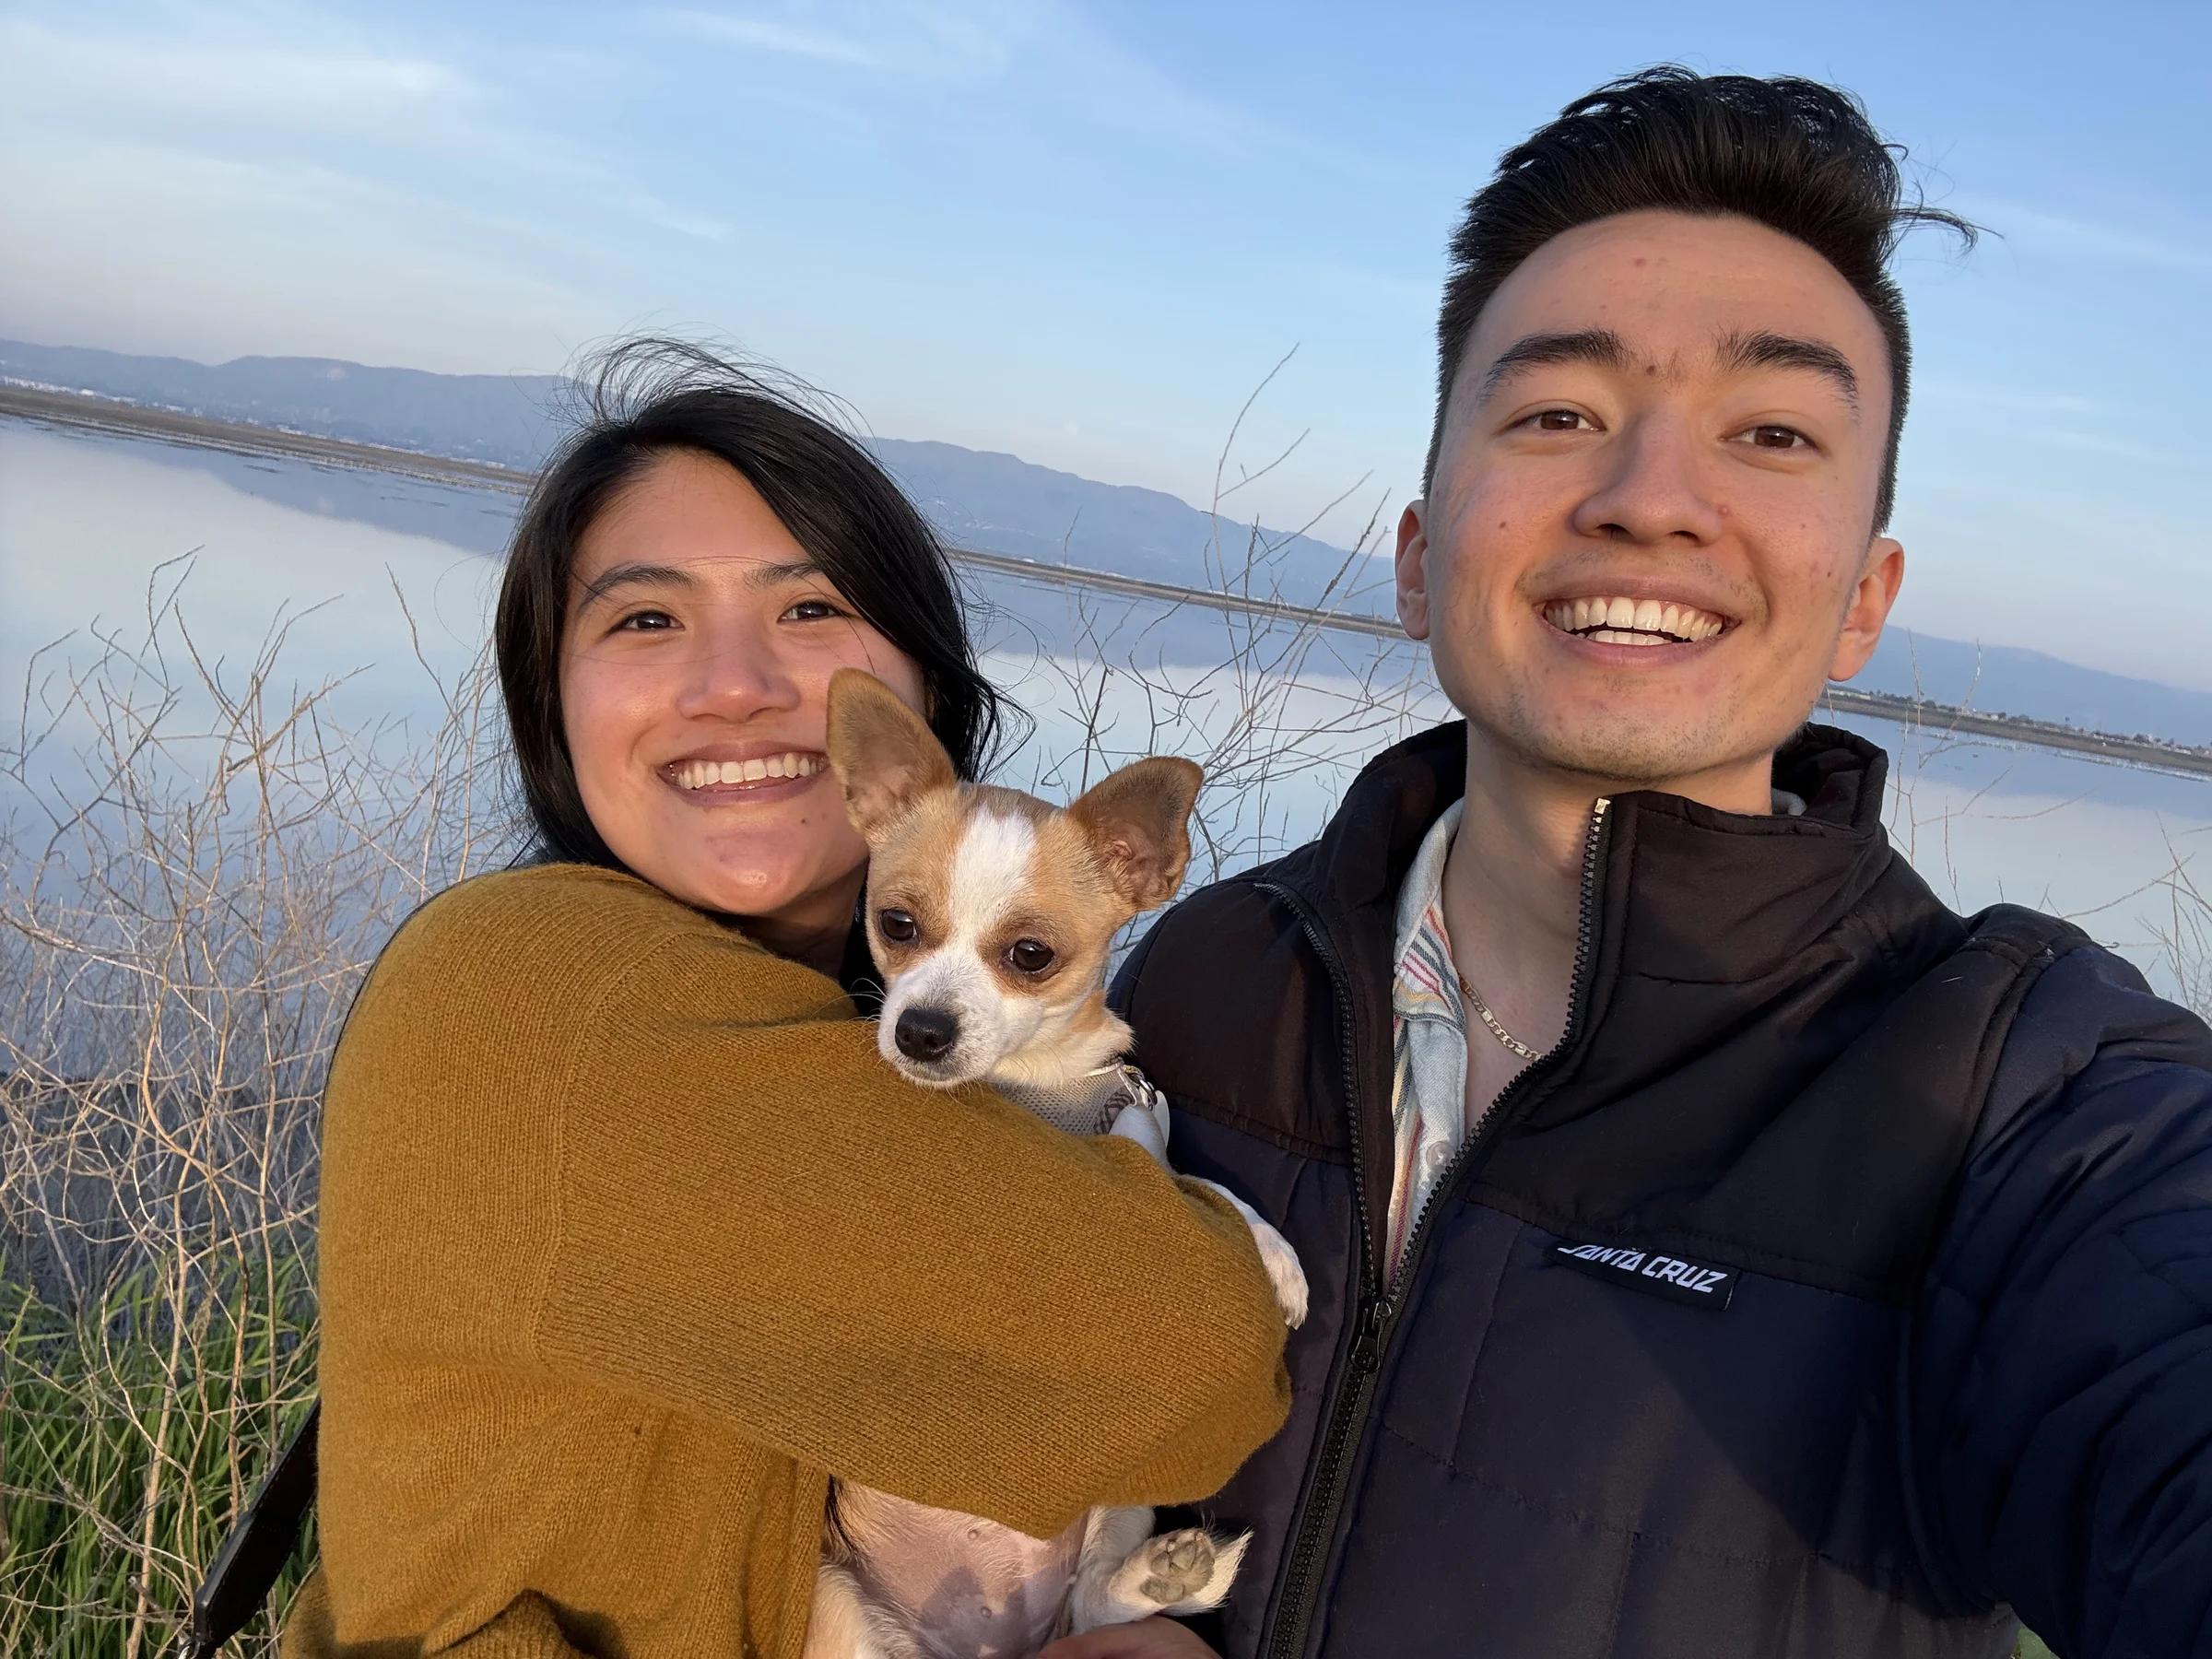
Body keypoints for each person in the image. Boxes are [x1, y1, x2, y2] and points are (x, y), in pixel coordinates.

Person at [1109, 69, 2212, 1659]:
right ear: (1421, 558)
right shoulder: (1210, 976)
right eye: (1558, 415)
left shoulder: (2015, 1097)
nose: (1649, 504)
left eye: (1770, 433)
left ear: (1863, 602)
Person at [279, 342, 1292, 1659]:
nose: (737, 685)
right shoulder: (542, 989)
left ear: (915, 693)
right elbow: (1184, 1367)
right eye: (645, 617)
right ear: (551, 693)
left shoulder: (798, 1015)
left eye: (808, 611)